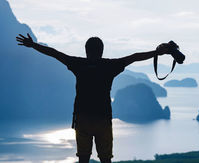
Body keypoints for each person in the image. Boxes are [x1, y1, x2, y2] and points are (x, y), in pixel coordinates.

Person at [16, 33, 171, 163]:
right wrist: (157, 52)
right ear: (102, 51)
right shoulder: (110, 66)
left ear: (86, 50)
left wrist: (33, 45)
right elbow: (135, 57)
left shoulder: (78, 64)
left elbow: (55, 53)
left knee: (83, 159)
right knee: (105, 159)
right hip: (103, 119)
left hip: (82, 119)